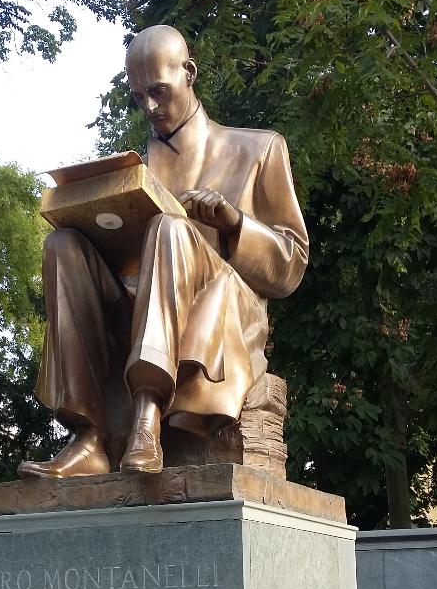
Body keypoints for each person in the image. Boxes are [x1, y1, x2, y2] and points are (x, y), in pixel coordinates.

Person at [19, 24, 308, 478]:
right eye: (139, 97)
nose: (150, 107)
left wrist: (235, 224)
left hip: (221, 307)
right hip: (139, 305)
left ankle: (147, 419)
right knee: (64, 245)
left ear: (188, 73)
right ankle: (89, 437)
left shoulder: (258, 148)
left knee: (171, 227)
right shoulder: (134, 170)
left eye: (159, 90)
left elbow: (291, 265)